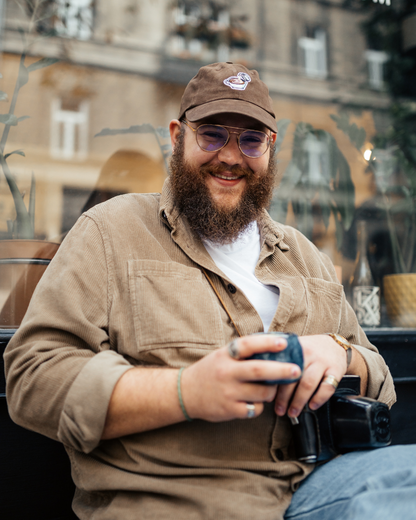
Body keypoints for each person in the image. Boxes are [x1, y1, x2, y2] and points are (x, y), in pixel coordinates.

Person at [4, 62, 416, 520]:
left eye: (251, 139)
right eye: (213, 134)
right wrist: (185, 391)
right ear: (178, 136)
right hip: (183, 504)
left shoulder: (304, 254)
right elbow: (33, 376)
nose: (231, 156)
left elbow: (378, 374)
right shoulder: (109, 231)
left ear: (270, 147)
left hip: (318, 490)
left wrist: (341, 352)